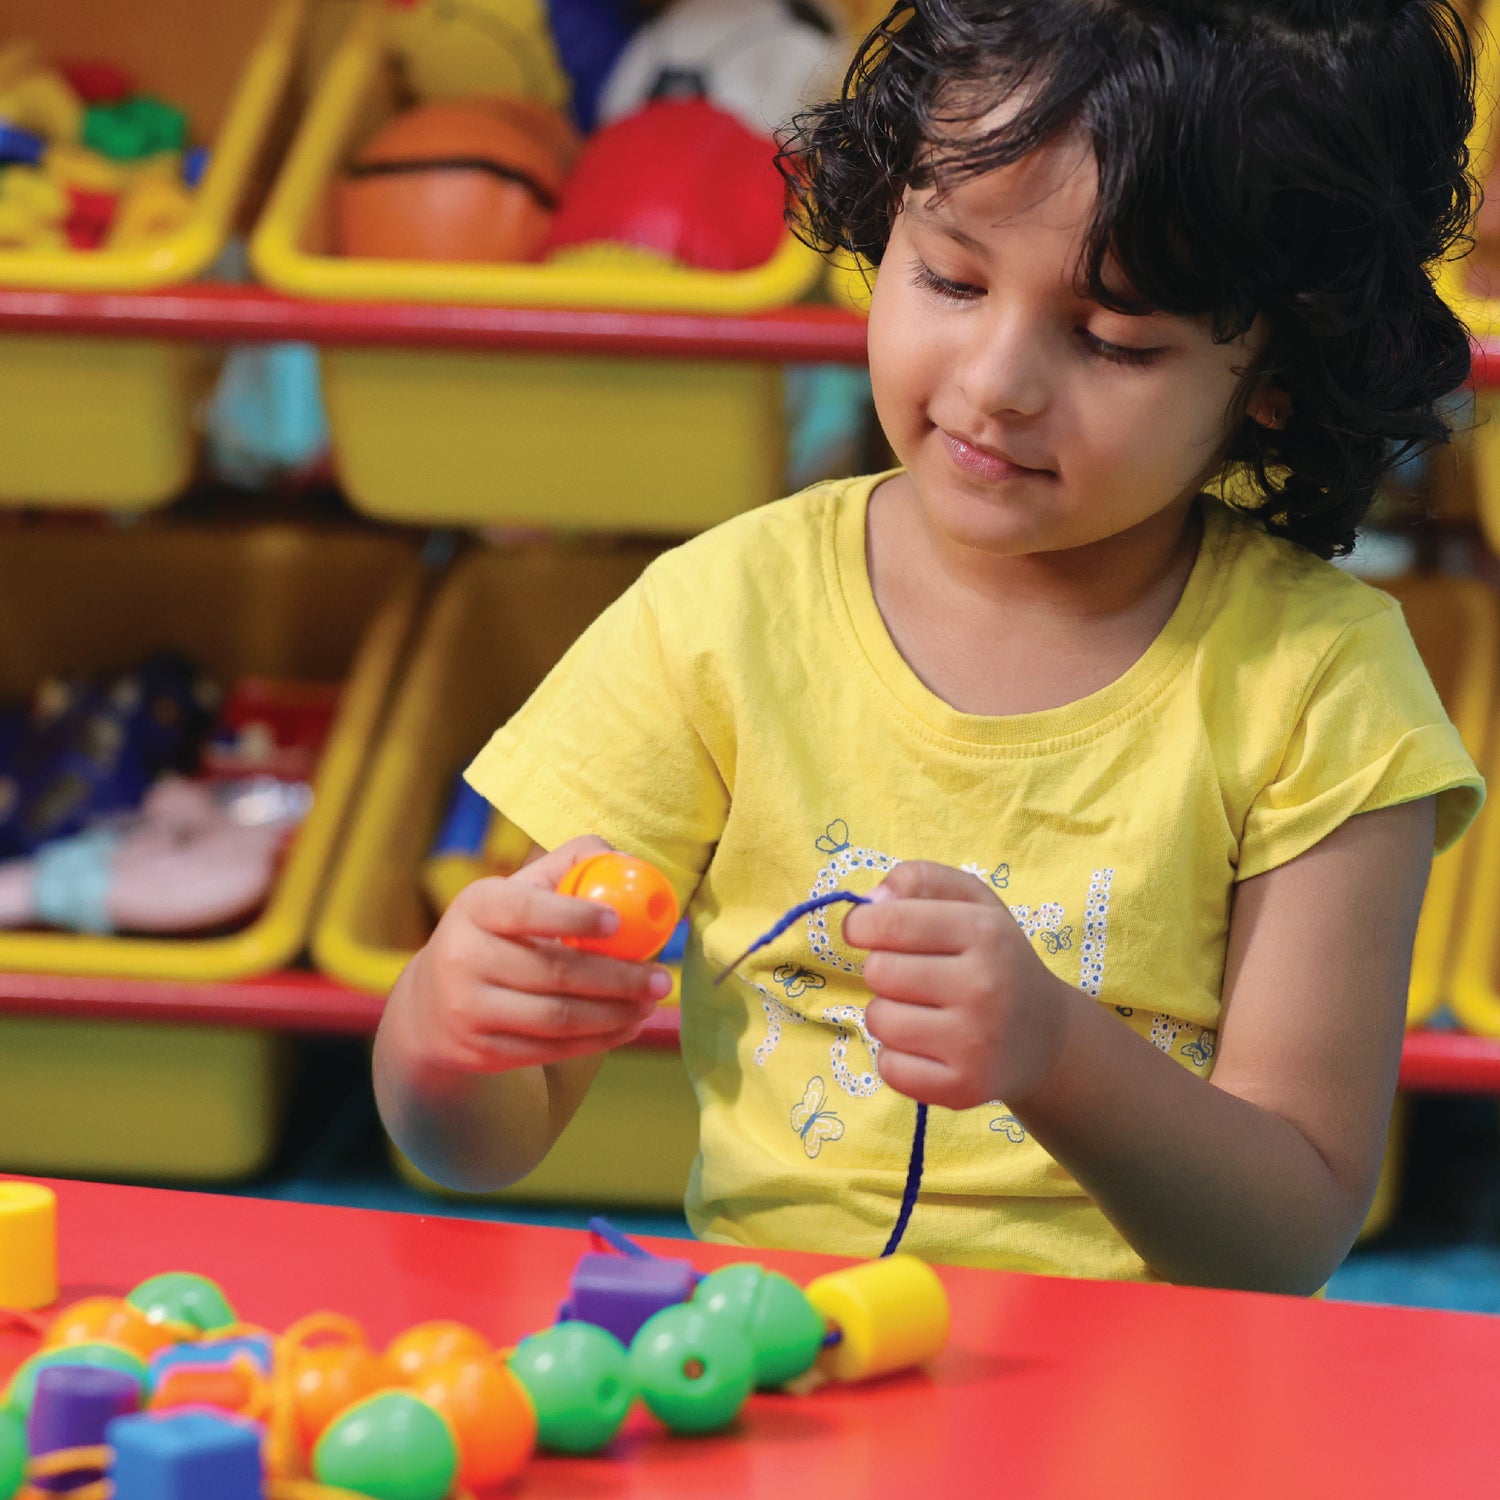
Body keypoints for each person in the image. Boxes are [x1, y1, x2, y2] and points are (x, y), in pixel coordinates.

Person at [374, 0, 1486, 1293]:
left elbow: (1285, 1240)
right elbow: (482, 1147)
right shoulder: (722, 615)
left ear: (1277, 376)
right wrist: (444, 1034)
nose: (996, 380)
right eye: (951, 278)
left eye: (1114, 339)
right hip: (785, 1364)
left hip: (1156, 1386)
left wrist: (1055, 1053)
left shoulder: (1323, 688)